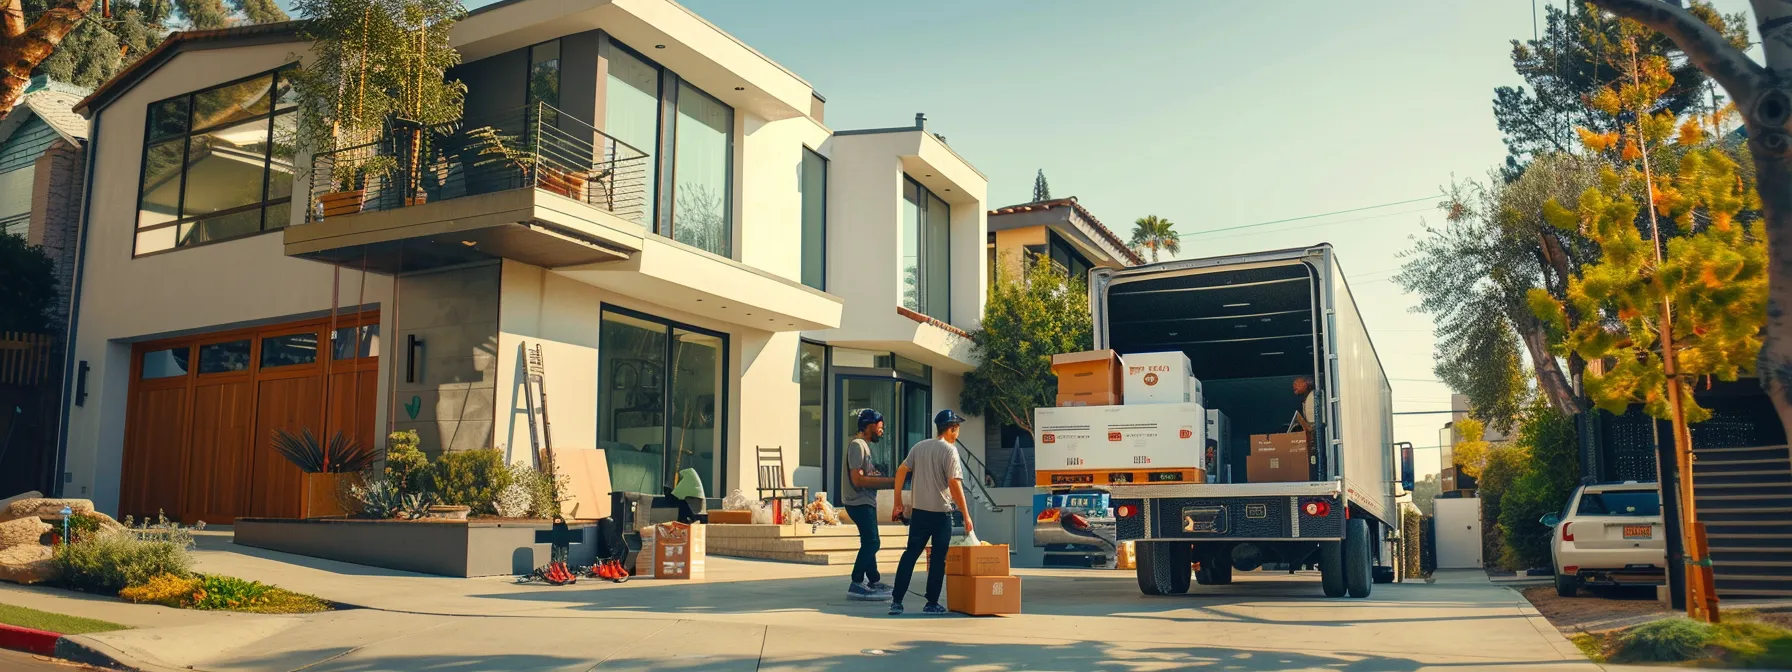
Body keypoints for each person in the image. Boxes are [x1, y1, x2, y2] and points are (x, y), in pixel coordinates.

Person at [888, 409, 975, 616]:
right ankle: (931, 603)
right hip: (940, 513)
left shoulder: (920, 447)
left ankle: (897, 601)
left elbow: (901, 470)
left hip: (919, 513)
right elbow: (954, 483)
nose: (958, 431)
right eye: (958, 427)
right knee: (938, 559)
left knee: (910, 555)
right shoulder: (950, 451)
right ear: (952, 428)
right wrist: (966, 514)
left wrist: (897, 502)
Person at [842, 408, 895, 601]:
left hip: (864, 501)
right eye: (880, 425)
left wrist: (876, 477)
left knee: (868, 541)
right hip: (859, 501)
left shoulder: (863, 446)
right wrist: (892, 482)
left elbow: (865, 476)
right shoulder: (857, 445)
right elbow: (857, 480)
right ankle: (856, 583)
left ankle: (873, 580)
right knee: (873, 542)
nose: (882, 429)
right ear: (870, 425)